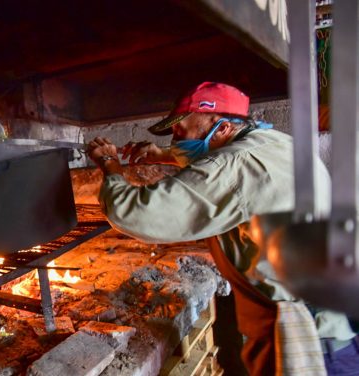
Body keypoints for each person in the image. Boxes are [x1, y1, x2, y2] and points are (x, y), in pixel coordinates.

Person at [87, 82, 359, 375]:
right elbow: (210, 159)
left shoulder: (232, 165)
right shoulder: (275, 142)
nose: (177, 139)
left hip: (307, 339)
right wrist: (161, 154)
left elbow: (134, 213)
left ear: (224, 128)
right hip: (334, 321)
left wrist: (110, 164)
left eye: (182, 131)